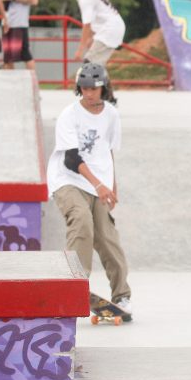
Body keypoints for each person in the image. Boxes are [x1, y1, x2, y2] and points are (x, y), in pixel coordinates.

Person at [46, 62, 132, 316]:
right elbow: (71, 159)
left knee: (107, 237)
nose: (88, 93)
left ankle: (122, 295)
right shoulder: (69, 115)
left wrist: (112, 186)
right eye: (83, 88)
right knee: (82, 222)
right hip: (68, 180)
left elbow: (110, 152)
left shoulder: (111, 115)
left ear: (103, 88)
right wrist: (98, 184)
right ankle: (74, 285)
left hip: (100, 185)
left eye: (93, 88)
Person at [61, 0, 126, 91]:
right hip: (108, 28)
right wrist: (91, 38)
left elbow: (86, 25)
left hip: (110, 28)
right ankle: (108, 97)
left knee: (90, 63)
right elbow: (93, 20)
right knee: (97, 65)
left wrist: (81, 48)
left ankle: (103, 97)